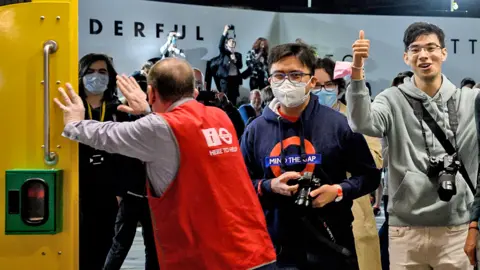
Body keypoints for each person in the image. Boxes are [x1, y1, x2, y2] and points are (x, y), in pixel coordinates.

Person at [54, 57, 276, 269]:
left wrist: (75, 122)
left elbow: (107, 135)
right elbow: (179, 134)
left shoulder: (160, 128)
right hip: (254, 249)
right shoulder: (219, 116)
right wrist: (149, 111)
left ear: (151, 93)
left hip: (207, 258)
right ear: (194, 91)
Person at [346, 22, 479, 269]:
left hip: (457, 227)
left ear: (444, 53)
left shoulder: (469, 101)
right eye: (416, 49)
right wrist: (357, 69)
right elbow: (361, 122)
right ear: (406, 57)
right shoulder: (391, 99)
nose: (424, 55)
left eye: (431, 47)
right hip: (405, 229)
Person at [241, 43, 381, 269]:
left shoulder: (338, 124)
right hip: (276, 249)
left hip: (332, 245)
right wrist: (268, 185)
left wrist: (337, 191)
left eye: (295, 75)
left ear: (311, 81)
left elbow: (369, 176)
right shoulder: (255, 130)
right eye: (279, 75)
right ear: (270, 81)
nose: (287, 82)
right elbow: (240, 185)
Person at [312, 57, 383, 270]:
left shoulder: (356, 117)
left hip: (353, 205)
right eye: (317, 85)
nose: (322, 90)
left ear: (339, 87)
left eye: (329, 85)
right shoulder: (303, 119)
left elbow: (376, 159)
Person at [77, 53, 135, 270]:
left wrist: (121, 191)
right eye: (90, 71)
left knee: (103, 248)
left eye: (102, 72)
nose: (96, 76)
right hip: (78, 188)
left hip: (108, 191)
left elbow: (126, 152)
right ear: (80, 75)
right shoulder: (74, 108)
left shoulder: (117, 109)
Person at [215, 24, 243, 105]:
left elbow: (240, 66)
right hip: (226, 80)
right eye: (230, 41)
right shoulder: (224, 53)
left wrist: (235, 60)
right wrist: (225, 31)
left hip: (235, 80)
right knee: (225, 99)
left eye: (233, 41)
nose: (233, 42)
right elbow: (220, 46)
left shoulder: (238, 55)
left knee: (233, 99)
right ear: (227, 44)